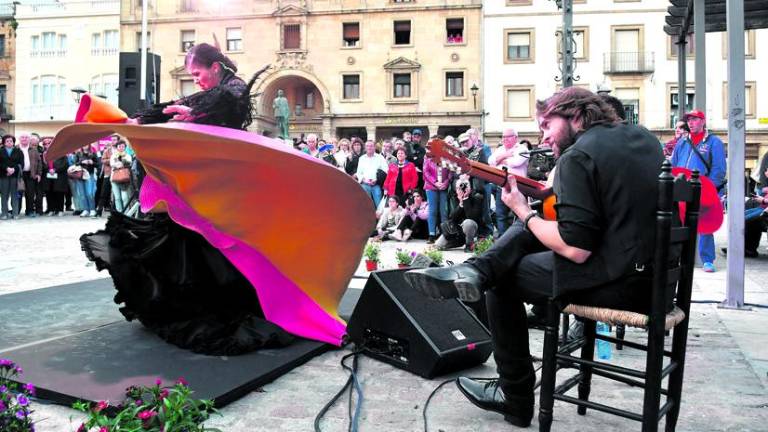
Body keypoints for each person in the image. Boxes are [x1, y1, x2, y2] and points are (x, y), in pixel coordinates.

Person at [405, 87, 663, 427]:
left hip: (619, 284)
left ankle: (515, 397)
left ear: (575, 116)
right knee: (533, 228)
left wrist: (523, 212)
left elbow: (576, 248)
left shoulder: (578, 156)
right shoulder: (644, 139)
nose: (543, 136)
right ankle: (474, 271)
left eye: (546, 125)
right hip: (653, 276)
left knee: (504, 279)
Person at [78, 43, 295, 355]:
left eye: (198, 73)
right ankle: (179, 304)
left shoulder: (232, 88)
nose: (196, 79)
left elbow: (226, 103)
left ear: (215, 68)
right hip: (195, 183)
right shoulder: (205, 94)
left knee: (205, 246)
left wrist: (196, 113)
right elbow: (170, 106)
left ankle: (210, 306)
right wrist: (135, 122)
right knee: (180, 241)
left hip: (217, 183)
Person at [670, 109, 726, 272]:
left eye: (695, 119)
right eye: (689, 120)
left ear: (703, 121)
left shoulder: (713, 142)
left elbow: (719, 169)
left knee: (704, 225)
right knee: (679, 224)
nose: (691, 123)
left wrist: (708, 188)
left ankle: (707, 259)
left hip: (702, 189)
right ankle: (680, 256)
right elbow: (674, 164)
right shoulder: (682, 142)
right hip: (682, 189)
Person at [489, 128, 528, 235]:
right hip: (501, 186)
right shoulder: (501, 149)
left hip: (518, 186)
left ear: (515, 137)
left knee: (520, 213)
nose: (505, 139)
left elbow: (516, 162)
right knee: (501, 215)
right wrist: (505, 156)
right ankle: (503, 240)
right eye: (503, 137)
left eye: (508, 136)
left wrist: (500, 160)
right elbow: (490, 162)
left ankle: (521, 237)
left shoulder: (522, 149)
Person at [435, 175, 483, 252]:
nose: (462, 189)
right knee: (437, 246)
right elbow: (451, 217)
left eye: (465, 186)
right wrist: (460, 204)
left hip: (471, 230)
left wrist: (465, 199)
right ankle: (459, 242)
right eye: (459, 187)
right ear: (456, 189)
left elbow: (472, 217)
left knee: (468, 223)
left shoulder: (476, 197)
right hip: (456, 231)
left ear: (470, 188)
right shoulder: (453, 198)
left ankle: (469, 244)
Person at [423, 146, 453, 244]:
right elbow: (426, 172)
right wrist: (435, 182)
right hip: (431, 187)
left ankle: (444, 234)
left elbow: (450, 172)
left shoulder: (447, 158)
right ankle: (431, 234)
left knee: (443, 211)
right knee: (432, 211)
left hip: (443, 187)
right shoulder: (428, 158)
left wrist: (446, 182)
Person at [355, 140, 389, 208]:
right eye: (367, 146)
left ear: (374, 147)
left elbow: (386, 170)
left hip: (376, 184)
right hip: (365, 184)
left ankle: (378, 218)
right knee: (366, 205)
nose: (369, 148)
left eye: (371, 146)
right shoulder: (362, 158)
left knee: (379, 204)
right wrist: (364, 180)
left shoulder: (380, 158)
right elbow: (359, 173)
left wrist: (376, 180)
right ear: (365, 147)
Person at [17, 134, 43, 217]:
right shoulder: (16, 148)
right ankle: (16, 210)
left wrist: (39, 174)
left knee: (30, 193)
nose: (24, 139)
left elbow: (39, 162)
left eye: (26, 137)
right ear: (19, 139)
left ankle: (29, 210)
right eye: (22, 137)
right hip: (19, 175)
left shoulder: (33, 149)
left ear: (29, 139)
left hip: (31, 174)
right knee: (18, 193)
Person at [0, 134, 23, 219]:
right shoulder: (0, 151)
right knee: (4, 195)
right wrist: (6, 169)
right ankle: (4, 213)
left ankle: (15, 213)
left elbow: (21, 164)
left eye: (11, 141)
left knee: (15, 195)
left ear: (13, 142)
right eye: (7, 141)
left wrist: (13, 169)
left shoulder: (18, 151)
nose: (9, 142)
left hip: (15, 176)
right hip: (3, 175)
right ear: (4, 143)